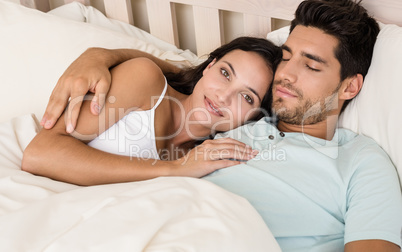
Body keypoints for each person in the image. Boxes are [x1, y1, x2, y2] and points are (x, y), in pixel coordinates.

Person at [31, 0, 402, 251]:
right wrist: (103, 54)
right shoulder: (232, 123)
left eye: (310, 65)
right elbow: (193, 76)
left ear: (350, 86)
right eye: (286, 57)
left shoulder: (361, 162)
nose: (285, 75)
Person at [22, 37, 282, 185]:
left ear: (254, 117)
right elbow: (39, 155)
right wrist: (173, 169)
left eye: (246, 97)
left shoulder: (204, 159)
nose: (223, 96)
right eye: (225, 73)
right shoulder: (146, 80)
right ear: (209, 66)